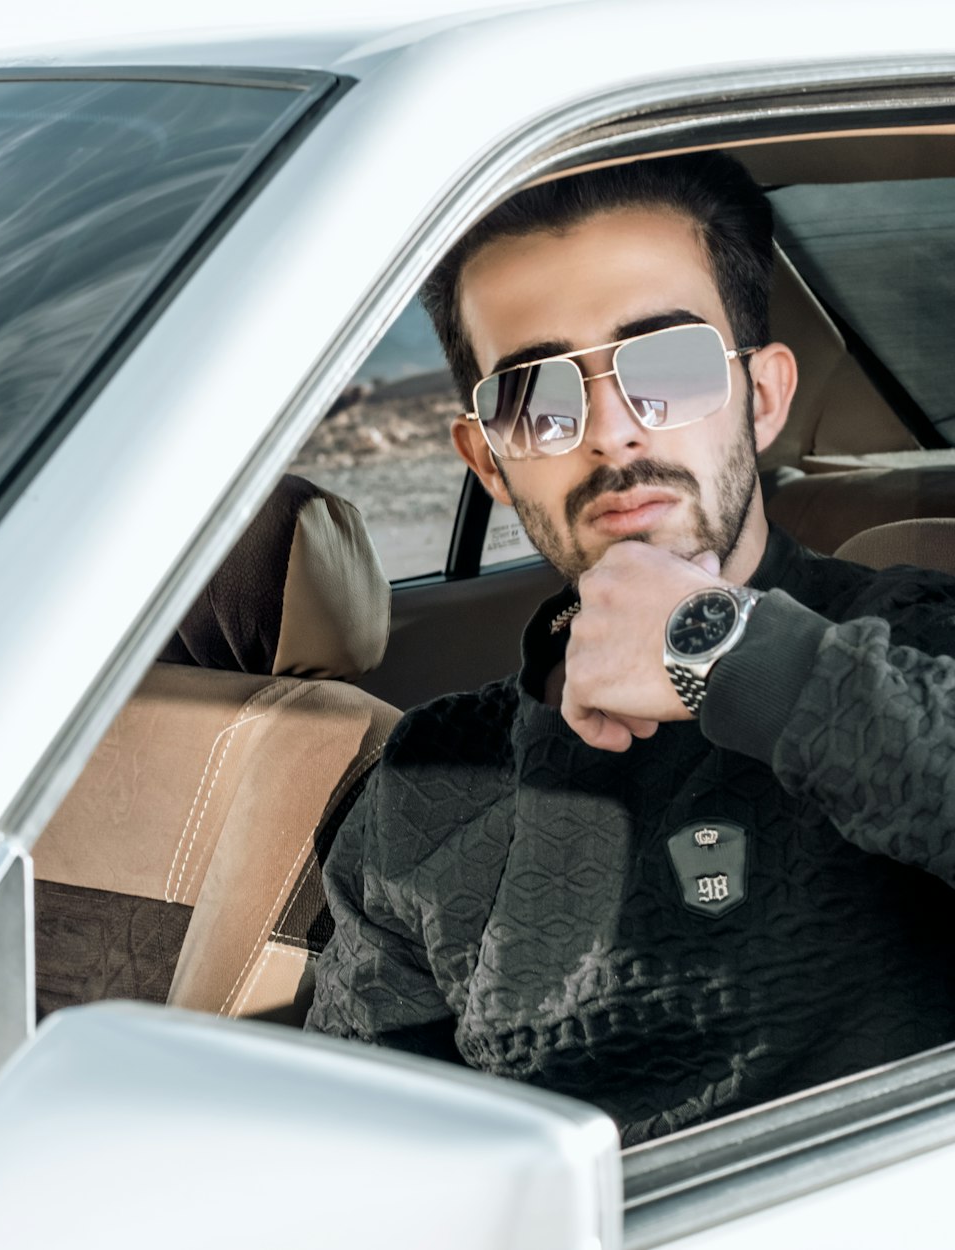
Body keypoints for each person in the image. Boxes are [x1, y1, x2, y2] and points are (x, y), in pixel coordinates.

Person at [305, 152, 955, 1145]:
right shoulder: (429, 775)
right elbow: (358, 1137)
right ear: (488, 458)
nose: (610, 431)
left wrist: (722, 648)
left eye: (669, 367)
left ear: (763, 396)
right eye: (536, 396)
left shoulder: (913, 639)